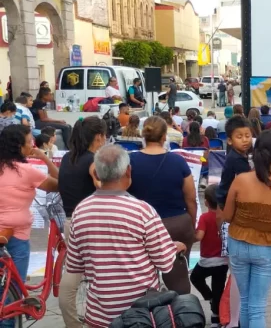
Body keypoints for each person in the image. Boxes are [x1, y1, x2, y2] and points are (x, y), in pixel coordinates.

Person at [65, 145, 185, 328]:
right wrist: (174, 247)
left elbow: (75, 265)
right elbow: (165, 263)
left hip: (99, 316)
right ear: (128, 171)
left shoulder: (80, 211)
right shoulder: (142, 211)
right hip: (141, 315)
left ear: (96, 174)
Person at [224, 130, 271, 328]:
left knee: (247, 303)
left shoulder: (241, 180)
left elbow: (227, 216)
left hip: (238, 243)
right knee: (257, 307)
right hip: (269, 245)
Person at [128, 116, 197, 294]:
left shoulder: (130, 162)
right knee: (178, 277)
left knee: (139, 275)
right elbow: (190, 198)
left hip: (141, 226)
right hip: (176, 223)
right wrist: (192, 223)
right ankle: (181, 315)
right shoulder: (178, 161)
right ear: (164, 136)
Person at [55, 116, 108, 327]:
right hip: (92, 222)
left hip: (70, 221)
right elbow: (103, 186)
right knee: (104, 273)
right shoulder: (93, 161)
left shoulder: (69, 157)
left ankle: (71, 321)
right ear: (98, 137)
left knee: (72, 273)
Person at [0, 125, 58, 293]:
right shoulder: (26, 171)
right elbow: (60, 183)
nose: (32, 146)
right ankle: (11, 317)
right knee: (15, 286)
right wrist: (44, 157)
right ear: (19, 146)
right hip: (17, 233)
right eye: (29, 142)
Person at [191, 185, 229, 328]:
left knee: (195, 278)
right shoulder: (225, 216)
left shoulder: (204, 217)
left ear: (205, 202)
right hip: (223, 261)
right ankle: (216, 318)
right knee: (218, 287)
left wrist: (191, 236)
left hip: (207, 260)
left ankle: (209, 297)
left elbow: (199, 236)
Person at [215, 116, 254, 207]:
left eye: (247, 136)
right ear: (229, 140)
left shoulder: (240, 154)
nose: (245, 140)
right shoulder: (237, 159)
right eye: (239, 137)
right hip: (228, 202)